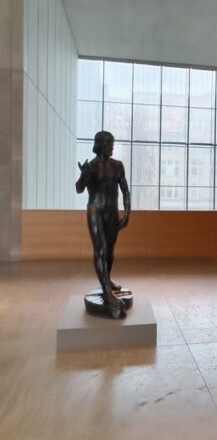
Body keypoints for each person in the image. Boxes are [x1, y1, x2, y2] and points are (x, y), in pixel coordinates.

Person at [76, 130, 131, 319]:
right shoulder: (91, 167)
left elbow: (125, 190)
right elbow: (79, 188)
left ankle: (106, 281)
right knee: (100, 249)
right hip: (95, 211)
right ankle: (107, 292)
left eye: (112, 143)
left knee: (109, 250)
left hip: (112, 213)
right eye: (109, 143)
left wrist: (127, 213)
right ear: (99, 145)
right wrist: (84, 175)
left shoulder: (118, 165)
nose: (112, 146)